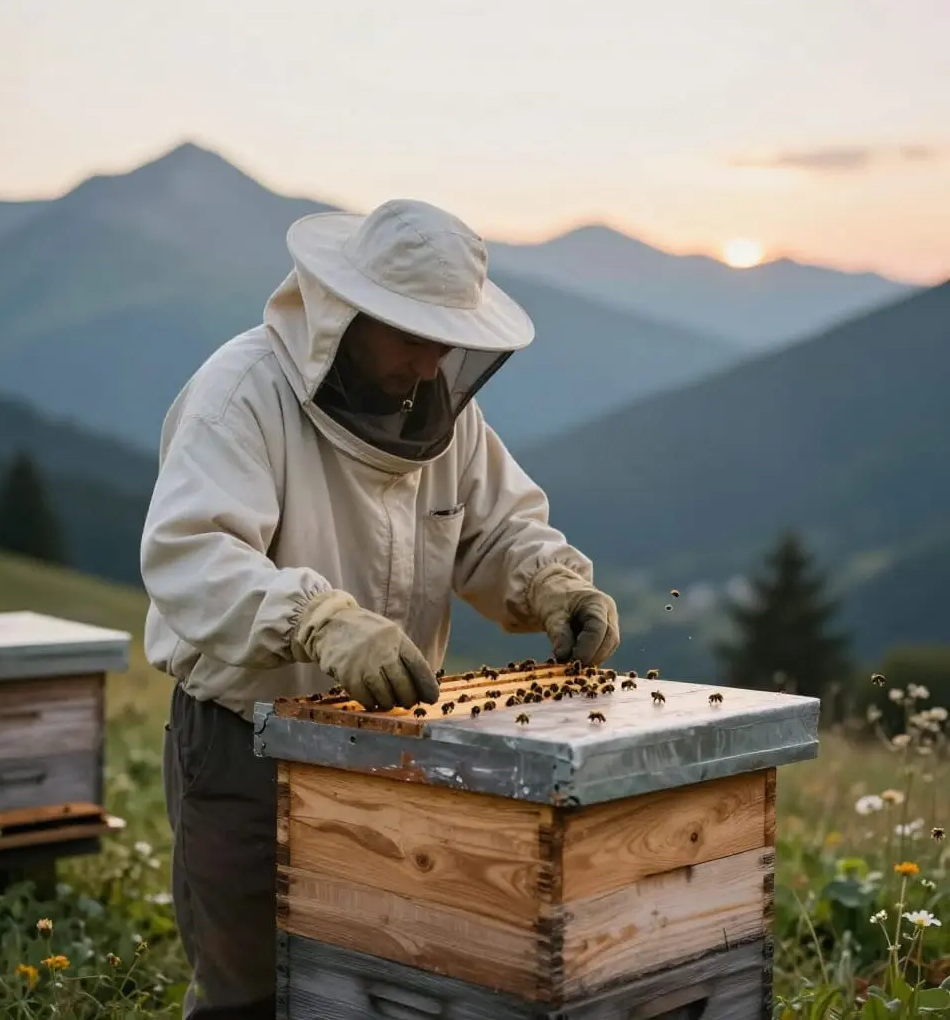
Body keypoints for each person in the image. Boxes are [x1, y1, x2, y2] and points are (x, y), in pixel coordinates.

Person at [139, 198, 621, 1018]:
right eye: (411, 336)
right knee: (249, 989)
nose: (431, 364)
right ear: (348, 316)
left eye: (447, 341)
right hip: (245, 746)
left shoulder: (447, 421)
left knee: (375, 984)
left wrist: (551, 581)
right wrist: (318, 621)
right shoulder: (242, 395)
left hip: (393, 746)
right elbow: (191, 556)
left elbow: (497, 529)